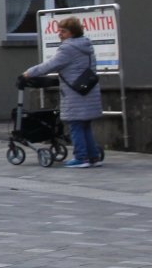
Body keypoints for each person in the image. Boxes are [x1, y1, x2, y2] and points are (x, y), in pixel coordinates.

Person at [22, 16, 104, 168]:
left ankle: (81, 158)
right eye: (59, 30)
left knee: (75, 125)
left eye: (63, 31)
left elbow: (50, 65)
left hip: (75, 94)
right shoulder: (86, 45)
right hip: (88, 90)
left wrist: (28, 73)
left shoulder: (68, 48)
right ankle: (93, 156)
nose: (59, 34)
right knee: (85, 125)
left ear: (72, 32)